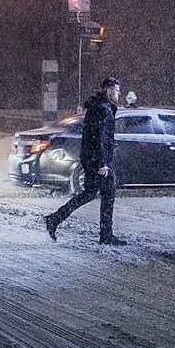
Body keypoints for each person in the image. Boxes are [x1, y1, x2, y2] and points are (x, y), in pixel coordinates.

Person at [45, 77, 126, 246]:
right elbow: (99, 137)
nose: (119, 94)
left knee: (96, 193)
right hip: (97, 159)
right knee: (103, 193)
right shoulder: (103, 109)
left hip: (92, 157)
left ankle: (55, 219)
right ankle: (105, 235)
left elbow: (97, 136)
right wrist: (101, 163)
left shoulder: (99, 107)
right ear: (109, 90)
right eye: (118, 91)